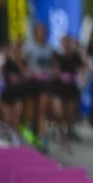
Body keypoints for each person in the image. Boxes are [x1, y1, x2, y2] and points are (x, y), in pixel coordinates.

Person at [51, 35, 87, 150]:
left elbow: (86, 65)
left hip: (71, 87)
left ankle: (66, 134)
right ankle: (59, 132)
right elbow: (54, 69)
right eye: (64, 42)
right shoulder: (57, 55)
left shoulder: (76, 55)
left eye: (68, 42)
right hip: (59, 86)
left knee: (69, 113)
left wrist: (82, 78)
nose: (66, 44)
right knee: (58, 112)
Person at [23, 22, 55, 151]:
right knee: (32, 112)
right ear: (35, 33)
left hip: (45, 84)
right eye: (39, 31)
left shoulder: (50, 49)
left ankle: (42, 139)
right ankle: (32, 135)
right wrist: (26, 72)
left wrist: (52, 73)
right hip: (32, 83)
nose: (41, 34)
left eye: (43, 31)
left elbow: (54, 64)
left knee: (42, 110)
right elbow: (21, 62)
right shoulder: (29, 48)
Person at [0, 40, 26, 145]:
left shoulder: (21, 60)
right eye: (13, 48)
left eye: (17, 48)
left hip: (18, 93)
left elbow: (24, 74)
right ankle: (7, 134)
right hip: (6, 92)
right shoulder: (3, 59)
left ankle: (16, 136)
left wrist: (17, 60)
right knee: (8, 118)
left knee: (17, 116)